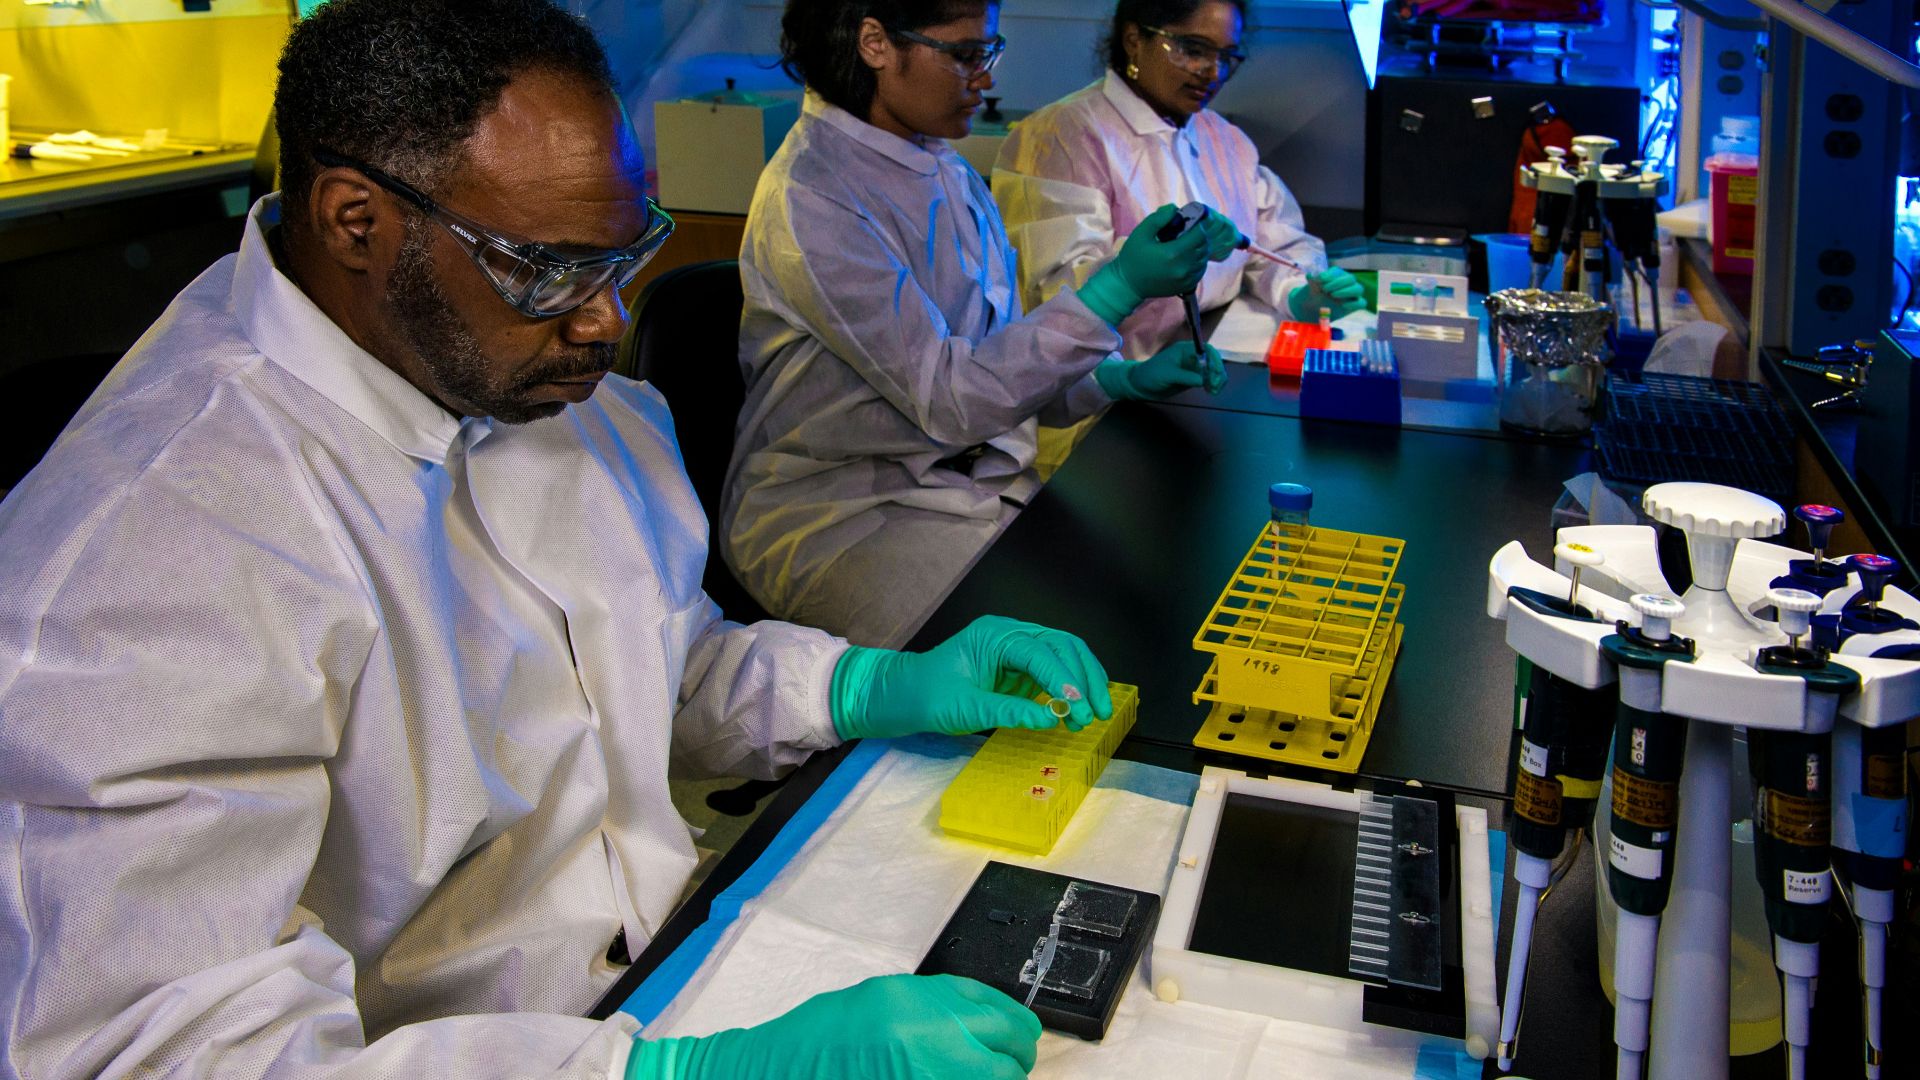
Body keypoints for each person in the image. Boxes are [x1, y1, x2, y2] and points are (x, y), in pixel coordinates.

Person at [0, 2, 1119, 1077]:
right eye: (547, 270)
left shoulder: (548, 389)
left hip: (665, 969)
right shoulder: (151, 553)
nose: (607, 321)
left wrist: (866, 685)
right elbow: (162, 1049)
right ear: (355, 220)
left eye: (626, 255)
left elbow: (648, 668)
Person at [723, 0, 1241, 649]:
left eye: (989, 52)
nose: (986, 78)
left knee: (1156, 605)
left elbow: (1002, 368)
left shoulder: (943, 165)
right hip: (848, 517)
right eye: (966, 55)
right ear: (875, 42)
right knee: (1049, 668)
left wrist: (1120, 379)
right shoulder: (814, 198)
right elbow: (955, 401)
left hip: (969, 486)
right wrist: (1120, 288)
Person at [993, 0, 1365, 361]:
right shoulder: (1062, 137)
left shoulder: (1224, 140)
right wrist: (1156, 258)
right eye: (1193, 49)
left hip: (1203, 358)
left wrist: (1301, 292)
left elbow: (1272, 244)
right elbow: (1055, 297)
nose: (1213, 71)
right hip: (1101, 386)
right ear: (1135, 39)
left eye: (1227, 57)